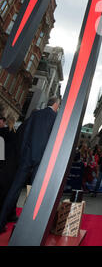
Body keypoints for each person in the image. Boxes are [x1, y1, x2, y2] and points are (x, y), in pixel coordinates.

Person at [0, 96, 60, 233]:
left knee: (13, 192)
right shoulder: (56, 119)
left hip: (26, 160)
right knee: (36, 195)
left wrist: (23, 157)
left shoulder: (36, 114)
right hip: (41, 163)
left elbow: (24, 135)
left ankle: (1, 221)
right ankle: (31, 228)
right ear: (56, 104)